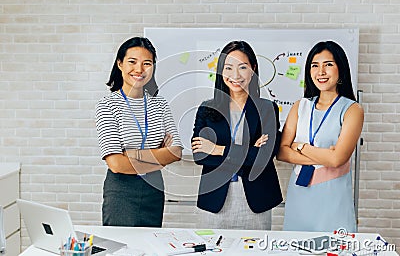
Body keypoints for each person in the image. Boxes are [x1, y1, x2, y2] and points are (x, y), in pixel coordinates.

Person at [191, 40, 282, 230]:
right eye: (229, 68)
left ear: (253, 69)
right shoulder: (207, 108)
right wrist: (248, 152)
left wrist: (216, 149)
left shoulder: (267, 109)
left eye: (242, 67)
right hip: (214, 200)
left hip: (256, 201)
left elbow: (263, 158)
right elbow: (200, 156)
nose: (235, 75)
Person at [277, 41, 364, 232]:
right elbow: (282, 153)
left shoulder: (352, 110)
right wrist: (324, 154)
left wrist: (300, 146)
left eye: (328, 64)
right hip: (299, 195)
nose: (321, 71)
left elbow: (337, 159)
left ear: (340, 69)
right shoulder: (300, 106)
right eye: (315, 65)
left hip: (332, 197)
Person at [95, 37, 182, 227]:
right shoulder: (108, 105)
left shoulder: (159, 104)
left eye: (147, 63)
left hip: (154, 189)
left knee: (151, 247)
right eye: (132, 62)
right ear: (120, 64)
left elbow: (176, 152)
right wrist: (159, 156)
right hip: (121, 191)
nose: (139, 69)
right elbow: (116, 164)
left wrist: (132, 155)